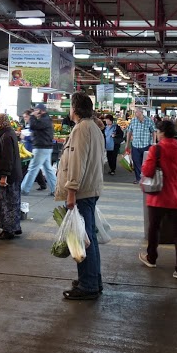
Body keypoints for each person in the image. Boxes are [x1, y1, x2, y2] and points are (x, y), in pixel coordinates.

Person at [56, 92, 105, 300]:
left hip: (82, 192)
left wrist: (71, 192)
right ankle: (93, 279)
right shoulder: (94, 128)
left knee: (82, 239)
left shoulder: (81, 129)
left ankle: (88, 285)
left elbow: (77, 163)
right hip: (90, 189)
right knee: (87, 238)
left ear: (75, 109)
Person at [139, 120, 177, 282]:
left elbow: (147, 171)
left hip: (158, 198)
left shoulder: (156, 149)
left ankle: (151, 258)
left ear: (161, 133)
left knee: (154, 229)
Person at [0, 113, 22, 240]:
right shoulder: (8, 133)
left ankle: (8, 231)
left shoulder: (6, 137)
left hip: (9, 176)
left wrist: (4, 176)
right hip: (14, 175)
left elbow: (6, 159)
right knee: (14, 203)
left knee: (7, 204)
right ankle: (15, 227)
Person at [20, 103, 57, 195]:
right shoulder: (46, 119)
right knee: (48, 169)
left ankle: (24, 189)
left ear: (42, 110)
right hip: (45, 147)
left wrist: (32, 116)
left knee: (32, 168)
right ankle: (56, 189)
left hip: (41, 147)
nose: (35, 112)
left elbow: (34, 126)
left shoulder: (44, 119)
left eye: (36, 110)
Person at [125, 108, 156, 184]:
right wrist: (127, 144)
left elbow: (154, 132)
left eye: (136, 112)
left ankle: (145, 178)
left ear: (141, 112)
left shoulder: (149, 121)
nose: (135, 113)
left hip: (146, 145)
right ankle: (139, 179)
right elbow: (129, 132)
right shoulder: (133, 121)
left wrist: (154, 143)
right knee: (136, 162)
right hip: (135, 145)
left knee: (145, 163)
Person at [21, 110, 48, 191]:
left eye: (26, 117)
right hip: (29, 148)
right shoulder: (29, 125)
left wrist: (25, 137)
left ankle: (20, 186)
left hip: (33, 149)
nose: (25, 119)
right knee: (34, 167)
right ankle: (43, 184)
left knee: (25, 168)